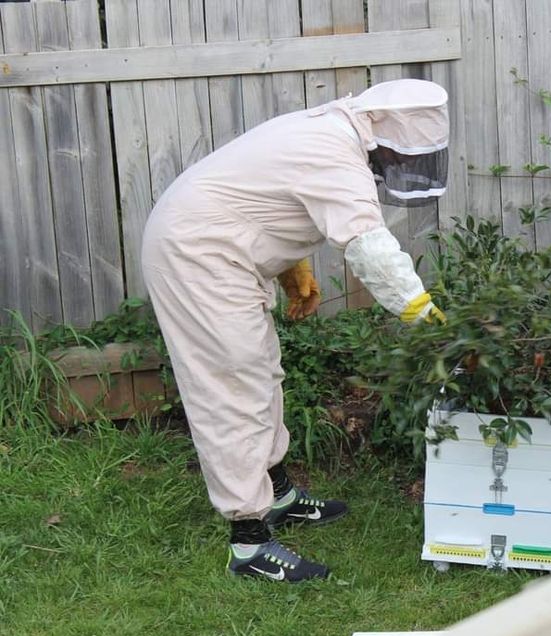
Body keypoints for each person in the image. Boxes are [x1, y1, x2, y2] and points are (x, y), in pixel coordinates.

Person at [141, 79, 449, 582]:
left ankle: (278, 494)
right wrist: (419, 311)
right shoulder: (332, 149)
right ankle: (249, 542)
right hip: (196, 255)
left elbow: (265, 201)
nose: (401, 165)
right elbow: (369, 248)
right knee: (231, 388)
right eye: (403, 153)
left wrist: (291, 268)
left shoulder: (332, 131)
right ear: (387, 136)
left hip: (220, 249)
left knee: (261, 370)